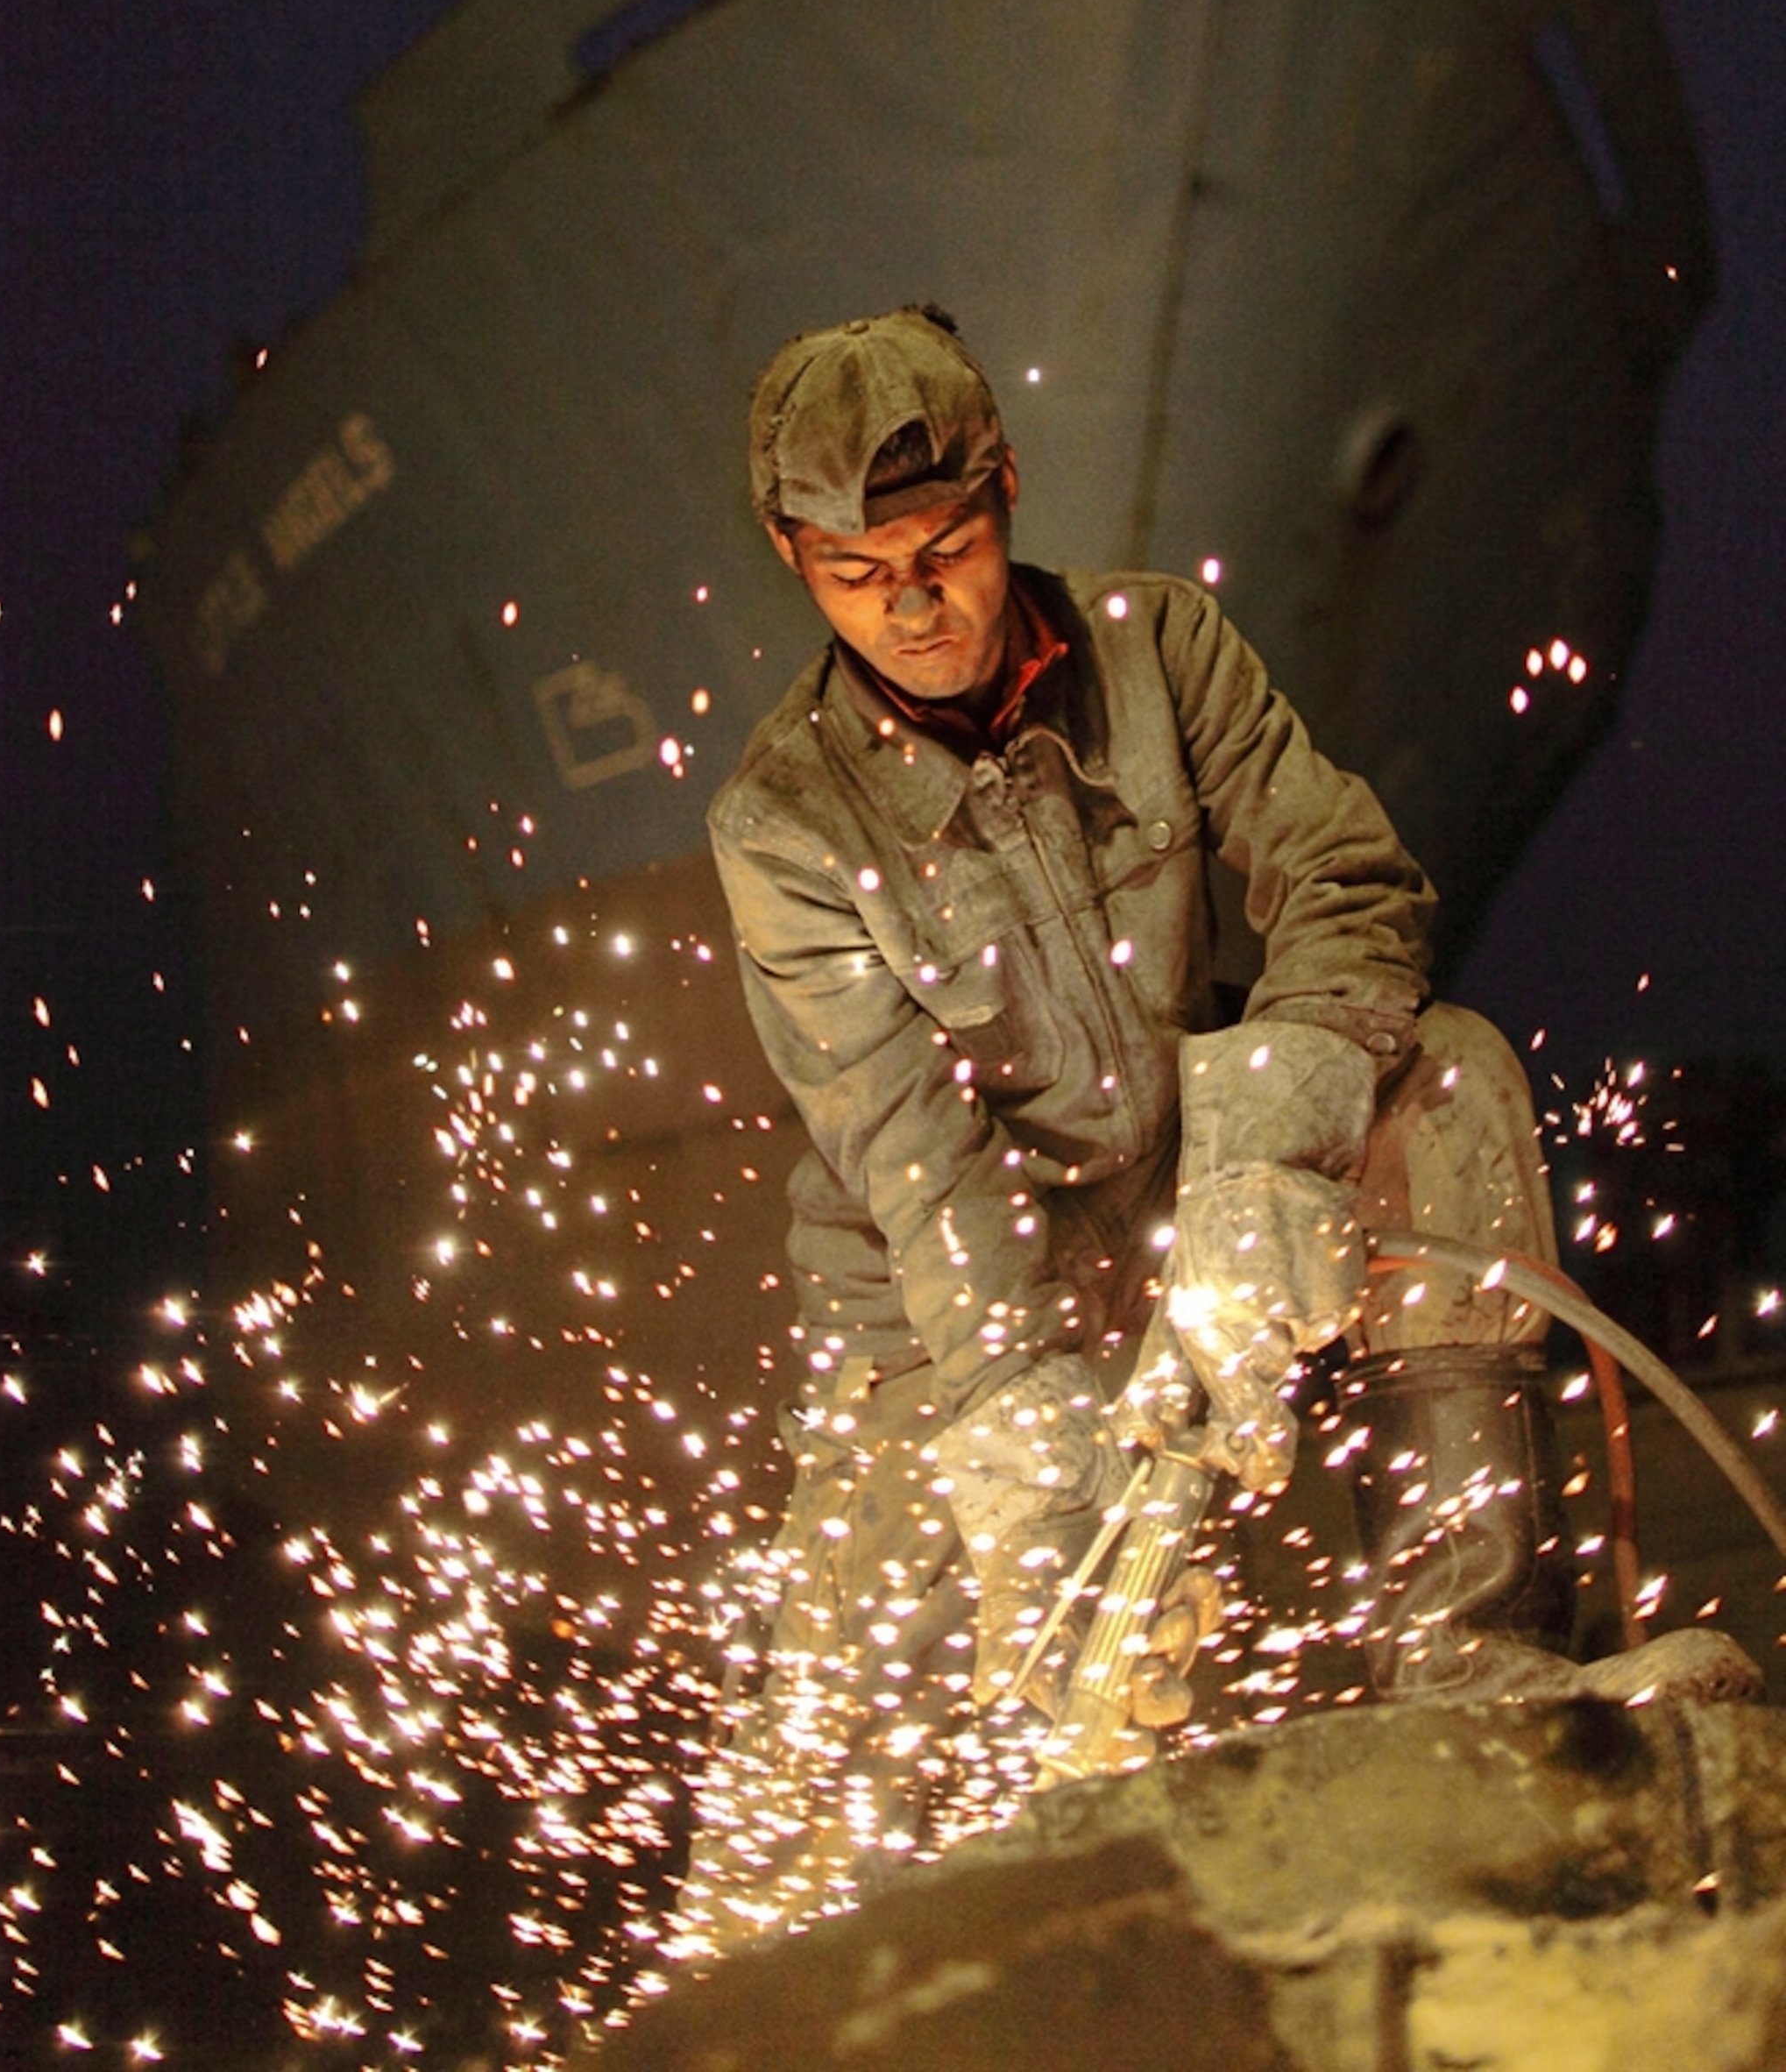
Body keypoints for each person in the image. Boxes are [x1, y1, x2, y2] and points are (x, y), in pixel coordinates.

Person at [674, 303, 1756, 1956]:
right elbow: (915, 1154)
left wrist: (1269, 1147)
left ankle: (1469, 1662)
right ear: (791, 557)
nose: (912, 601)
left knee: (1445, 1070)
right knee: (841, 1784)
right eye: (856, 570)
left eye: (947, 548)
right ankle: (759, 1960)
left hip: (1185, 1183)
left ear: (1009, 493)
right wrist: (1031, 1459)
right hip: (935, 1307)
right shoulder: (785, 818)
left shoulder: (1158, 650)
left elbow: (1349, 882)